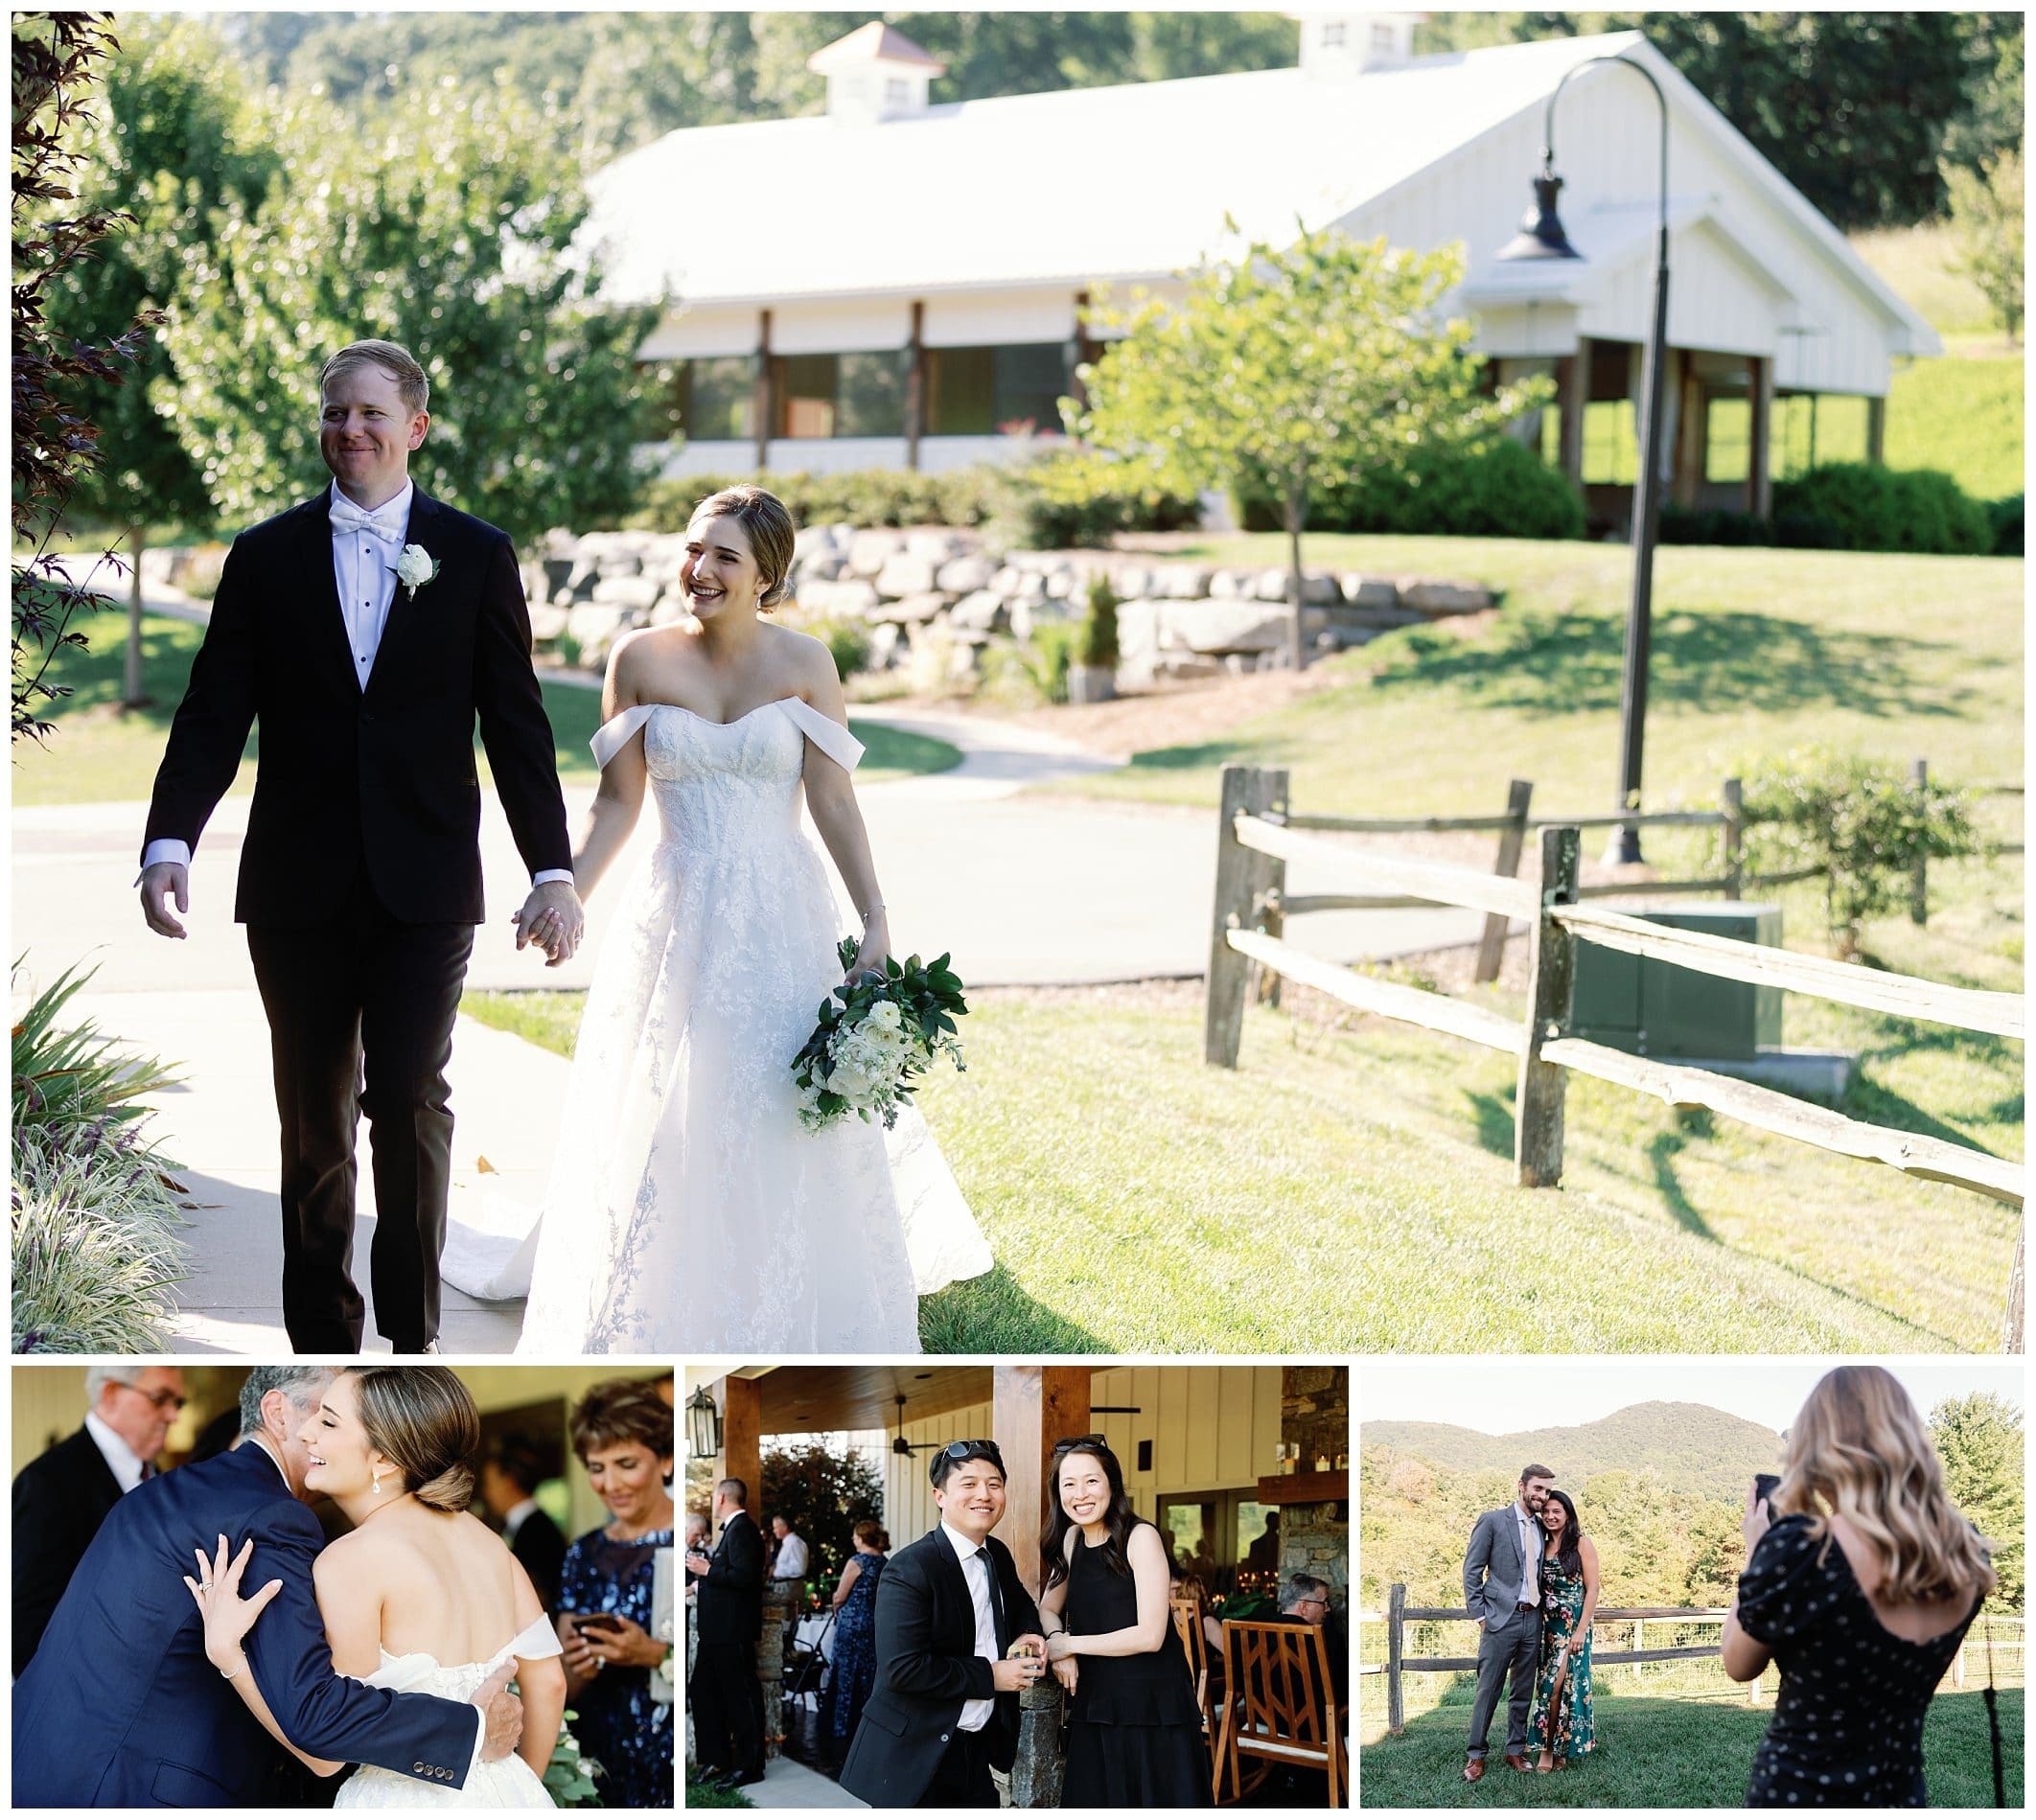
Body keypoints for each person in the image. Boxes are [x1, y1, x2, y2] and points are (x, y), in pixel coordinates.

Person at [137, 337, 579, 1354]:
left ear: (415, 427)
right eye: (336, 413)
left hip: (426, 881)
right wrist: (171, 839)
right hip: (296, 884)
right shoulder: (265, 555)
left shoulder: (473, 555)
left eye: (373, 414)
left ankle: (415, 1340)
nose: (351, 431)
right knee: (313, 1117)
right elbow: (212, 714)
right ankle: (324, 1341)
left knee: (411, 1099)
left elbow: (515, 725)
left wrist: (550, 870)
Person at [512, 484, 990, 1354]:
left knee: (780, 1097)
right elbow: (617, 805)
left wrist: (876, 916)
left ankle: (793, 1277)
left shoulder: (806, 663)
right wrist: (565, 887)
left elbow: (834, 800)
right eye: (693, 549)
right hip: (677, 912)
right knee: (676, 1104)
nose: (698, 569)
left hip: (784, 914)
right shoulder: (639, 660)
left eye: (724, 556)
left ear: (766, 573)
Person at [13, 1366, 520, 1807]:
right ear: (278, 1412)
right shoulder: (272, 1515)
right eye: (320, 1416)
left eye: (332, 1423)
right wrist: (467, 1729)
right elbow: (313, 1711)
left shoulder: (169, 1489)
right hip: (136, 1790)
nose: (317, 1437)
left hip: (41, 1762)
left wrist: (230, 1657)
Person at [188, 1367, 565, 1808]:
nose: (306, 1432)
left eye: (328, 1422)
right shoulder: (491, 1543)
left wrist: (230, 1657)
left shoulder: (350, 1560)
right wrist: (513, 1787)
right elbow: (550, 1681)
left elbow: (326, 1752)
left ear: (384, 1459)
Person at [1723, 1366, 1995, 1808]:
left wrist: (1757, 1552)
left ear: (1818, 1449)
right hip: (1899, 1795)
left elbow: (1739, 1663)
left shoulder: (1803, 1550)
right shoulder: (1967, 1553)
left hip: (1798, 1794)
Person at [838, 1440, 1047, 1808]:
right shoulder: (910, 1568)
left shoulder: (996, 1553)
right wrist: (991, 1676)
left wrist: (1030, 1630)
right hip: (914, 1757)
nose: (984, 1494)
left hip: (977, 1748)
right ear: (940, 1496)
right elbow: (902, 1669)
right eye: (969, 1484)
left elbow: (1020, 1604)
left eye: (994, 1484)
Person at [1041, 1437, 1211, 1807]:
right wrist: (1058, 1645)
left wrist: (1068, 1645)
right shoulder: (1071, 1540)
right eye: (1068, 1484)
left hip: (1151, 1705)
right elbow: (1047, 1607)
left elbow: (1151, 1635)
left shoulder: (1140, 1536)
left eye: (1091, 1481)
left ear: (1111, 1483)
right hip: (1095, 1700)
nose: (1080, 1494)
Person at [13, 1363, 186, 1672]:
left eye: (178, 1403)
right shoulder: (47, 1483)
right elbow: (25, 1626)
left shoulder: (160, 1476)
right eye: (161, 1398)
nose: (174, 1415)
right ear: (111, 1394)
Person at [556, 1378, 678, 1808]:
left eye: (626, 1463)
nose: (610, 1484)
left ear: (665, 1460)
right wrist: (580, 1665)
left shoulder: (690, 1544)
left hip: (674, 1758)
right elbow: (560, 1685)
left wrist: (653, 1654)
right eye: (596, 1467)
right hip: (600, 1759)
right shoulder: (582, 1553)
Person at [1461, 1463, 1555, 1783]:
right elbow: (1472, 1569)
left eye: (1547, 1491)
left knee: (1522, 1690)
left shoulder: (1543, 1528)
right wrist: (1480, 1614)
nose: (1542, 1495)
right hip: (1500, 1619)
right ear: (1522, 1486)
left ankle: (1515, 1749)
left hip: (1533, 1619)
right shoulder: (1492, 1521)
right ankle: (1476, 1755)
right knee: (1488, 1689)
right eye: (1538, 1489)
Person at [688, 1475, 767, 1790]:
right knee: (703, 1693)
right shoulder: (732, 1531)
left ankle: (750, 1766)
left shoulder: (744, 1529)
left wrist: (707, 1570)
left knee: (741, 1699)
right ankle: (716, 1758)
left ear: (721, 1498)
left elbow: (746, 1577)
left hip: (732, 1632)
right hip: (715, 1633)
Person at [1526, 1489, 1597, 1771]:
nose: (1550, 1516)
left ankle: (1548, 1751)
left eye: (1556, 1511)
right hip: (1547, 1628)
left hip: (1572, 1628)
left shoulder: (1581, 1543)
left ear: (1568, 1514)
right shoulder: (1541, 1546)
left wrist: (1581, 1630)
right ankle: (1557, 1749)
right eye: (1546, 1512)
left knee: (1557, 1687)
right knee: (1553, 1687)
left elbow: (1593, 1590)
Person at [823, 1519, 891, 1761]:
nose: (853, 1540)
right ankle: (866, 1725)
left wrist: (834, 1603)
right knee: (867, 1674)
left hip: (851, 1626)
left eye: (855, 1536)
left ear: (862, 1538)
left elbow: (840, 1596)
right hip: (873, 1625)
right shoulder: (885, 1562)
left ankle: (842, 1729)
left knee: (845, 1673)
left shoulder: (857, 1561)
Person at [480, 1438, 567, 1613]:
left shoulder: (539, 1532)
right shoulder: (526, 1526)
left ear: (508, 1482)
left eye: (490, 1484)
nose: (486, 1493)